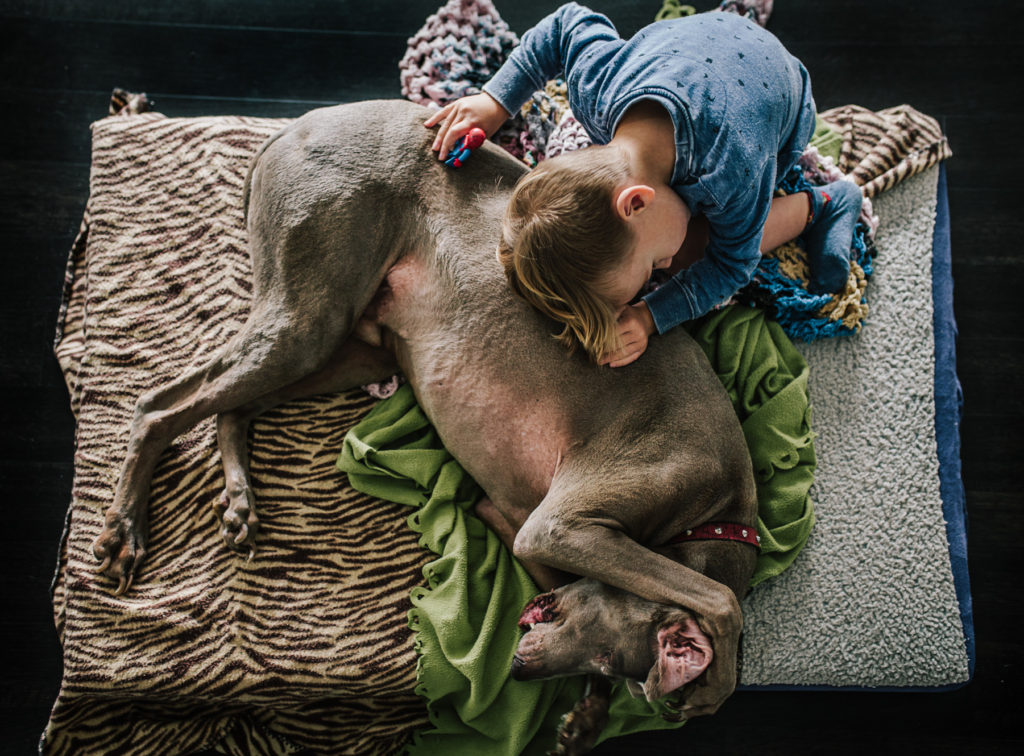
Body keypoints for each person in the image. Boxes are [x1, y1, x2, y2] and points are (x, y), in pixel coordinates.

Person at [425, 3, 863, 366]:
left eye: (650, 263)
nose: (662, 265)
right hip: (704, 40)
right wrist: (495, 102)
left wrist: (651, 316)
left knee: (697, 253)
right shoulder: (596, 88)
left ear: (634, 202)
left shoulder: (730, 174)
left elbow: (733, 267)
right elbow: (564, 24)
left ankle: (825, 203)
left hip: (782, 93)